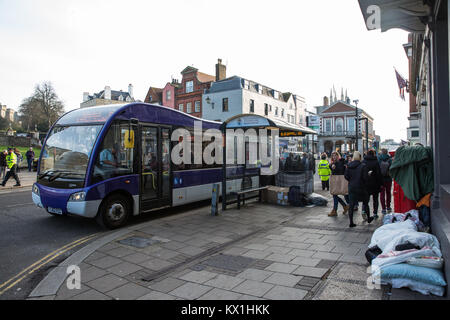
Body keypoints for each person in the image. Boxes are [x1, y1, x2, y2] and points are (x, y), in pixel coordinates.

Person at [344, 151, 372, 228]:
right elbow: (365, 178)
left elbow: (346, 176)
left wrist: (351, 180)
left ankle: (351, 222)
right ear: (360, 157)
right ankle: (369, 218)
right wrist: (368, 175)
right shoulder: (363, 166)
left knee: (351, 205)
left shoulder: (349, 165)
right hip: (361, 187)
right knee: (365, 203)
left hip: (352, 187)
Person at [363, 149, 384, 219]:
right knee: (375, 199)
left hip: (366, 183)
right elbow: (379, 174)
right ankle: (375, 213)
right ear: (374, 154)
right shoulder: (376, 162)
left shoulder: (364, 161)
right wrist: (381, 183)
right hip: (375, 184)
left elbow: (362, 173)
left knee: (366, 199)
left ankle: (364, 211)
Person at [328, 151, 349, 217]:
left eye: (335, 155)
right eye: (333, 156)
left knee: (344, 194)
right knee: (334, 194)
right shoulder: (333, 163)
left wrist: (335, 166)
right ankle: (340, 208)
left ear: (338, 155)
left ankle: (345, 206)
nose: (334, 157)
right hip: (336, 181)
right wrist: (331, 166)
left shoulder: (341, 161)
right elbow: (333, 170)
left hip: (341, 180)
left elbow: (341, 169)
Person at [378, 148, 393, 214]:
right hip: (388, 179)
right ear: (387, 153)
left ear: (381, 153)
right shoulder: (389, 159)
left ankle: (383, 208)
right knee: (388, 193)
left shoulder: (379, 159)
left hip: (381, 179)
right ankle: (388, 207)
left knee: (382, 194)